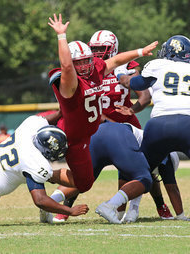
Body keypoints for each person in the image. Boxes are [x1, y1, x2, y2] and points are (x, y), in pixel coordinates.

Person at [53, 30, 171, 222]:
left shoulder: (118, 66)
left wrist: (131, 109)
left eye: (102, 48)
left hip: (124, 125)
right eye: (95, 49)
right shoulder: (89, 70)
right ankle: (64, 207)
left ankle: (159, 204)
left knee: (144, 166)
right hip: (97, 125)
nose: (98, 53)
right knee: (87, 169)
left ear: (113, 47)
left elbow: (143, 94)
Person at [46, 13, 158, 196]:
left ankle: (46, 177)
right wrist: (61, 36)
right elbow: (66, 67)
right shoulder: (70, 82)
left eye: (87, 60)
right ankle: (40, 174)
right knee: (83, 183)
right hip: (74, 137)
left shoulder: (94, 71)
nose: (84, 65)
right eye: (79, 62)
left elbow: (115, 61)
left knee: (85, 184)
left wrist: (140, 52)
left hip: (89, 135)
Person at [127, 35, 190, 221]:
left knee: (141, 169)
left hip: (159, 124)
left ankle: (129, 210)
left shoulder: (157, 65)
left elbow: (137, 84)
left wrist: (122, 76)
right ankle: (179, 214)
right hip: (187, 121)